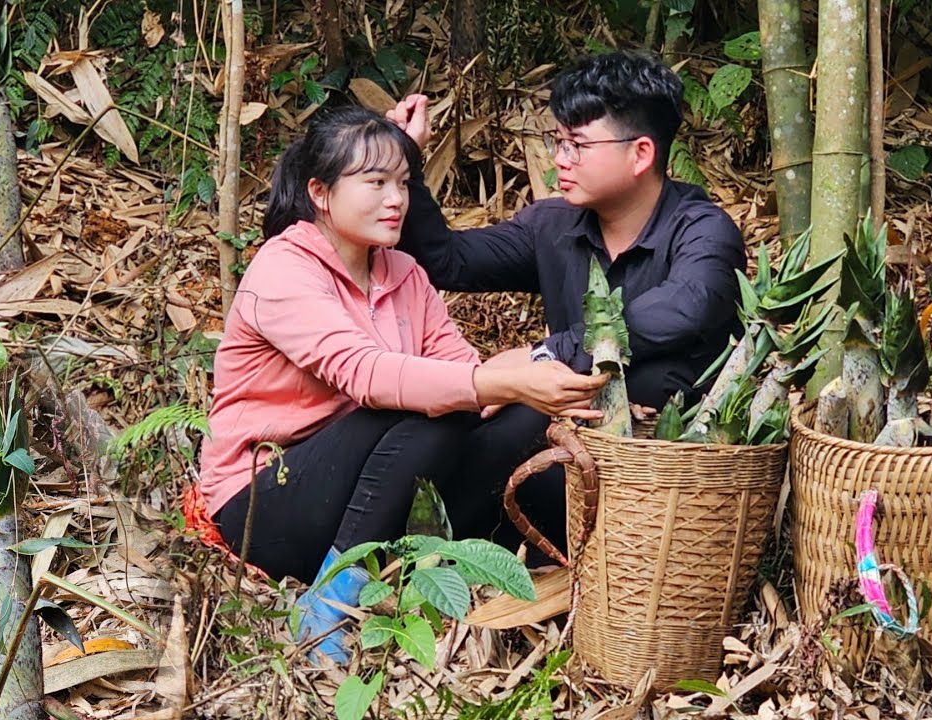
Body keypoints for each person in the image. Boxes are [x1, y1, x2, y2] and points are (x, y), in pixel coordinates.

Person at [196, 105, 607, 666]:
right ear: (320, 192)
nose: (396, 200)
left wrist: (527, 382)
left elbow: (458, 369)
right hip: (266, 507)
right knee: (425, 411)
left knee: (518, 415)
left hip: (374, 490)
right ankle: (329, 599)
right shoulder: (284, 269)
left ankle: (542, 558)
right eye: (376, 183)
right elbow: (366, 374)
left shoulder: (404, 273)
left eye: (404, 183)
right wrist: (497, 379)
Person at [386, 49, 746, 554]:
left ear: (641, 153)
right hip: (565, 444)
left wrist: (547, 354)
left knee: (545, 410)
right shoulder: (553, 225)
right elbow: (448, 261)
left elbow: (685, 308)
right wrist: (404, 161)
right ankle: (421, 553)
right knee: (480, 420)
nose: (560, 159)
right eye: (559, 141)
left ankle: (427, 552)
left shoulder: (703, 229)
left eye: (577, 144)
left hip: (671, 480)